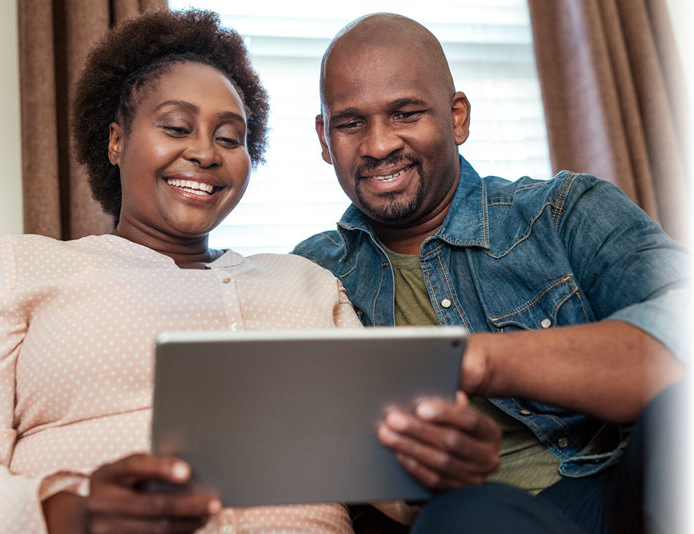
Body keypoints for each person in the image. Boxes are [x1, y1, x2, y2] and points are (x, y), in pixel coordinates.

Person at [0, 9, 363, 534]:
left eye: (230, 138)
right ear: (116, 141)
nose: (205, 152)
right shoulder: (21, 269)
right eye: (176, 127)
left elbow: (385, 470)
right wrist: (72, 511)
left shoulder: (308, 284)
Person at [293, 13, 694, 534]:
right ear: (325, 138)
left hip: (623, 489)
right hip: (471, 517)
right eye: (350, 123)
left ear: (457, 117)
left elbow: (684, 324)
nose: (378, 145)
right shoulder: (311, 274)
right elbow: (307, 438)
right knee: (466, 513)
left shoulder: (563, 211)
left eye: (405, 113)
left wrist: (479, 360)